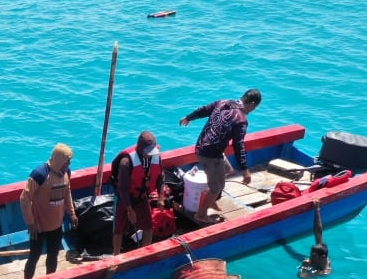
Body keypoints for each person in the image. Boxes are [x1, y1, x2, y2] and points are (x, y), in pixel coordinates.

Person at [178, 88, 262, 223]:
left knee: (228, 171)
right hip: (210, 155)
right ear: (252, 104)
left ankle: (211, 199)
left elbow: (204, 109)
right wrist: (245, 170)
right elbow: (238, 145)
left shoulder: (223, 102)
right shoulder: (241, 120)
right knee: (216, 187)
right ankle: (201, 214)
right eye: (255, 108)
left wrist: (189, 117)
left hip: (202, 146)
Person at [20, 143, 79, 279]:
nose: (69, 164)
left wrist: (72, 213)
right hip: (38, 227)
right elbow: (24, 198)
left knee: (53, 256)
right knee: (34, 256)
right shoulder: (40, 174)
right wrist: (30, 223)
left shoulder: (66, 173)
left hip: (56, 225)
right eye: (67, 161)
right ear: (59, 160)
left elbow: (67, 192)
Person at [109, 131, 162, 255]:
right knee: (118, 230)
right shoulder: (126, 163)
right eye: (147, 152)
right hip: (124, 198)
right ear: (141, 150)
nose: (150, 155)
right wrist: (129, 209)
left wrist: (161, 196)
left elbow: (161, 177)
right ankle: (116, 255)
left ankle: (145, 253)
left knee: (148, 227)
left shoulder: (156, 157)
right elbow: (122, 188)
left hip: (141, 197)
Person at [298, 199, 332, 278]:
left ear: (322, 257)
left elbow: (304, 277)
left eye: (313, 255)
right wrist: (317, 210)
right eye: (311, 254)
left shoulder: (325, 270)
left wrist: (305, 270)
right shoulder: (317, 255)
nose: (310, 256)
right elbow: (318, 232)